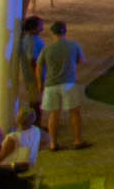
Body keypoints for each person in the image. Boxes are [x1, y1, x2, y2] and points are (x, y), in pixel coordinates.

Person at [38, 22, 86, 150]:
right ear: (65, 32)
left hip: (51, 84)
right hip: (68, 83)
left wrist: (40, 83)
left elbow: (39, 65)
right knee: (74, 112)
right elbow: (81, 61)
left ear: (53, 33)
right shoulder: (74, 45)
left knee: (53, 114)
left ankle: (53, 142)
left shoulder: (47, 49)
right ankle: (77, 140)